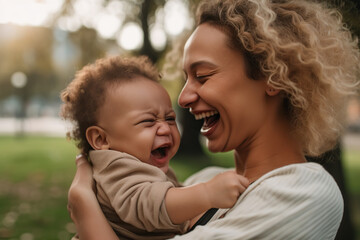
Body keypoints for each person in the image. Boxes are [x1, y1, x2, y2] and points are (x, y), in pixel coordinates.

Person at [66, 0, 360, 239]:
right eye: (185, 79)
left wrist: (84, 206)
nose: (182, 98)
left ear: (272, 76)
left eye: (203, 76)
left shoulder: (304, 193)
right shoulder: (200, 182)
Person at [60, 55, 249, 240]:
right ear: (101, 139)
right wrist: (207, 194)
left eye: (170, 118)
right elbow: (148, 203)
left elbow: (168, 196)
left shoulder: (139, 165)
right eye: (148, 121)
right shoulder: (116, 166)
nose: (165, 128)